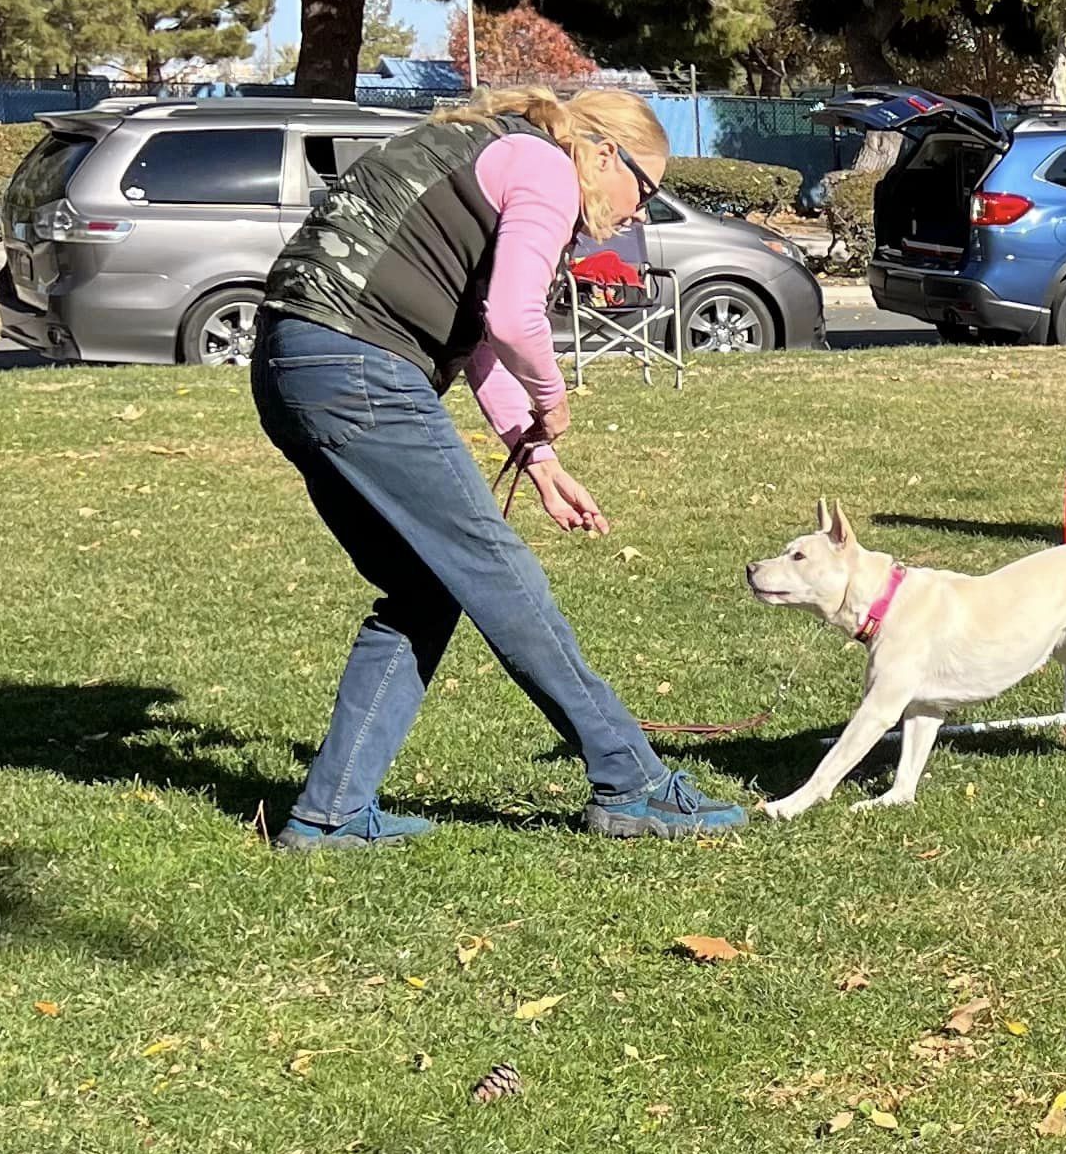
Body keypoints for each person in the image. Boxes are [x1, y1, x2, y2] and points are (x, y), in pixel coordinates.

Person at [252, 86, 745, 849]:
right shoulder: (545, 166)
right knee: (502, 578)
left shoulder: (485, 147)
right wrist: (553, 395)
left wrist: (537, 455)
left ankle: (330, 814)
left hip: (291, 365)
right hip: (359, 366)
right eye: (644, 188)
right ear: (602, 154)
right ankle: (633, 781)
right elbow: (513, 319)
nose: (639, 211)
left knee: (423, 589)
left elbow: (478, 338)